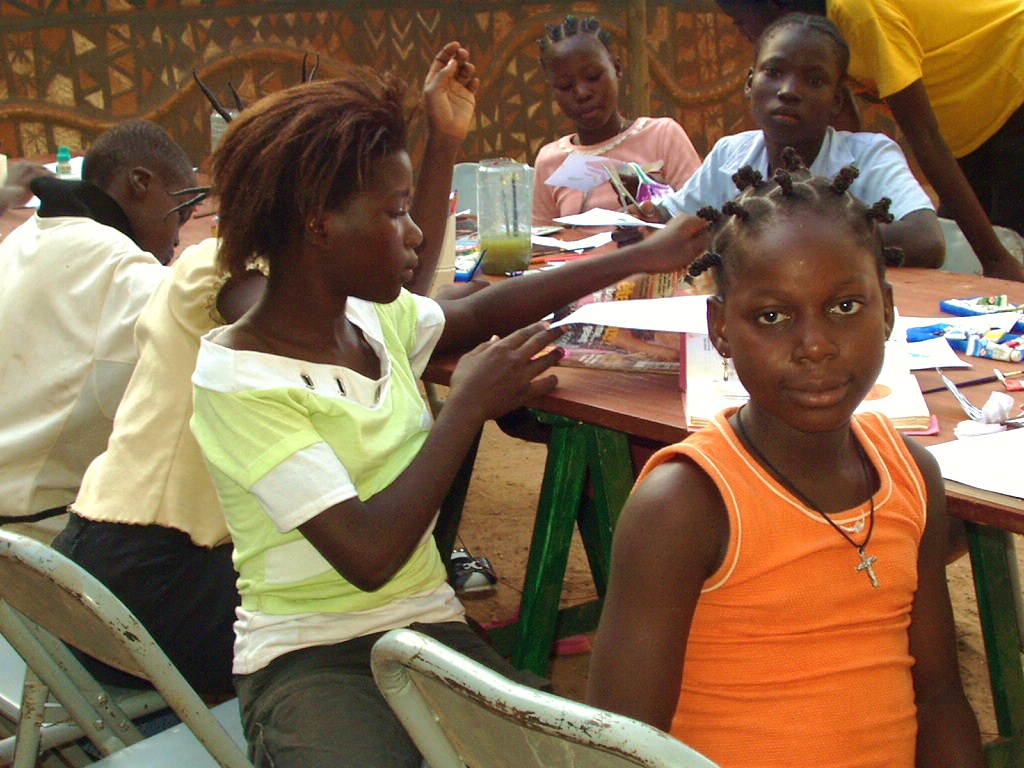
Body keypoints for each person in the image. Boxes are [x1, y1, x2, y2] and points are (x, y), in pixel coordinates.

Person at [189, 69, 707, 768]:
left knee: (577, 755)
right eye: (394, 212)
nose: (417, 231)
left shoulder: (368, 319)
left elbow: (473, 315)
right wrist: (464, 408)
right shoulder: (239, 380)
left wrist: (641, 255)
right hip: (307, 654)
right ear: (319, 224)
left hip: (428, 629)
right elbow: (369, 556)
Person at [51, 42, 482, 697]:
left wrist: (444, 142)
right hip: (155, 579)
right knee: (352, 615)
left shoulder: (263, 272)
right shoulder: (226, 276)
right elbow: (367, 306)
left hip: (103, 570)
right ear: (313, 212)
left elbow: (391, 298)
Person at [586, 151, 984, 768]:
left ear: (889, 309)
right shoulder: (687, 504)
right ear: (720, 328)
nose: (816, 345)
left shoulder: (911, 476)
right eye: (772, 317)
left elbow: (937, 697)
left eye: (846, 307)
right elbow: (620, 749)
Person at [713, 0, 1024, 282]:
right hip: (975, 117)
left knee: (1003, 259)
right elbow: (840, 132)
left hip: (1012, 69)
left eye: (739, 20)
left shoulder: (857, 11)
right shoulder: (821, 36)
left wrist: (995, 258)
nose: (741, 31)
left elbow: (924, 134)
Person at [0, 120, 197, 535]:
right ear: (140, 183)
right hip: (35, 542)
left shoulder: (27, 235)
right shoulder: (120, 271)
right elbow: (207, 313)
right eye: (180, 213)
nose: (178, 238)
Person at [657, 12, 944, 268]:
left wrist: (783, 239)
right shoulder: (730, 155)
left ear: (837, 101)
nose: (788, 91)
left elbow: (926, 240)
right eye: (773, 72)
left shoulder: (869, 157)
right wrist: (641, 216)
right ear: (749, 83)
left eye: (815, 81)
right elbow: (672, 220)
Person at [532, 14, 701, 226]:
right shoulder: (549, 160)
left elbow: (701, 218)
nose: (582, 93)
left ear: (617, 69)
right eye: (565, 86)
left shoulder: (662, 136)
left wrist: (656, 194)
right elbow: (543, 244)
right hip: (581, 260)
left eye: (593, 77)